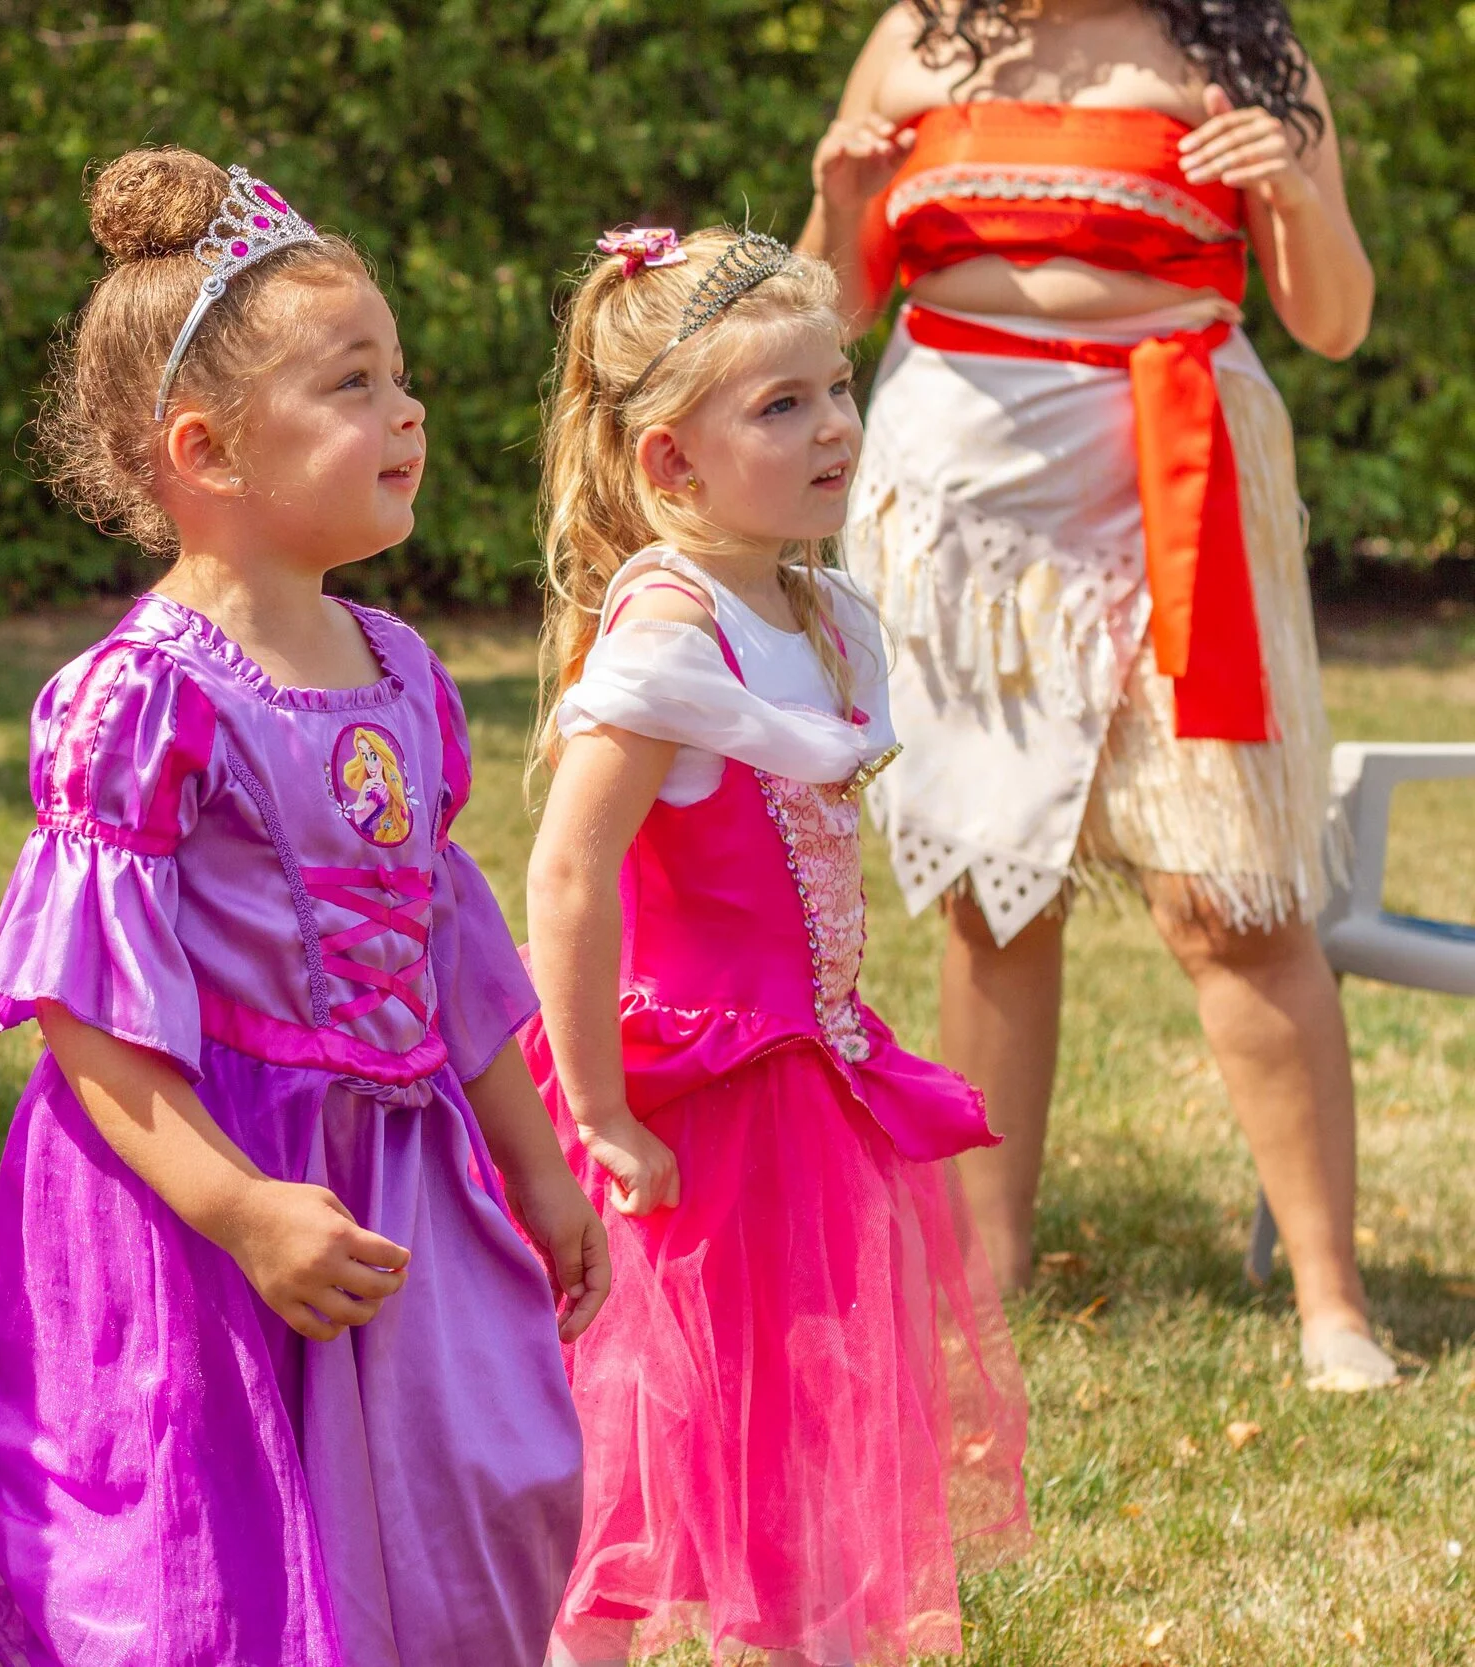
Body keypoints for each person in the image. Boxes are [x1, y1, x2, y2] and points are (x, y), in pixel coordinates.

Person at [0, 147, 608, 1667]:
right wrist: (241, 1208)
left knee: (467, 1497)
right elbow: (86, 1013)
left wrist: (537, 1169)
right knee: (216, 1549)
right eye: (353, 384)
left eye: (399, 374)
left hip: (399, 1178)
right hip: (209, 1197)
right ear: (208, 452)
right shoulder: (141, 701)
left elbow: (451, 953)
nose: (407, 411)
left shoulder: (401, 672)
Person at [795, 0, 1393, 1390]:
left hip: (1174, 472)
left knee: (1231, 900)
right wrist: (840, 200)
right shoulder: (917, 38)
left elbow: (1337, 320)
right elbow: (832, 315)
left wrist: (1292, 190)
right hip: (960, 498)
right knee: (994, 889)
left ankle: (1334, 1303)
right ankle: (986, 1273)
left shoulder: (1241, 46)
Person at [521, 226, 1030, 1667]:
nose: (834, 428)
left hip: (808, 1086)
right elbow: (569, 871)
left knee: (812, 1411)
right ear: (673, 462)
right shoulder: (671, 634)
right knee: (639, 1427)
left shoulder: (813, 608)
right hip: (686, 1101)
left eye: (839, 388)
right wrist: (598, 1109)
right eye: (783, 405)